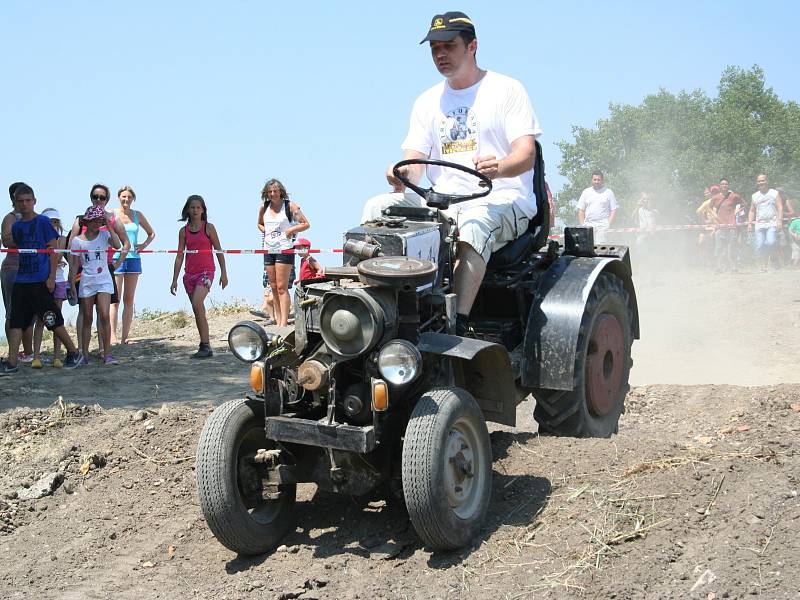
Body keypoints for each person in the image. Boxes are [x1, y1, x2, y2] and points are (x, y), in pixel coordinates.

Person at [360, 12, 541, 335]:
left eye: (448, 46)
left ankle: (454, 324)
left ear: (472, 46)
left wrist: (499, 168)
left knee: (473, 225)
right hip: (443, 202)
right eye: (434, 49)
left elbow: (526, 154)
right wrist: (399, 176)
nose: (440, 55)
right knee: (377, 208)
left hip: (501, 198)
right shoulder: (427, 102)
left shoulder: (506, 90)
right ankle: (374, 313)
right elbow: (414, 163)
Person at [0, 184, 81, 374]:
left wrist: (52, 276)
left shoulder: (43, 222)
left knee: (51, 318)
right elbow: (11, 242)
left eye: (28, 200)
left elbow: (53, 251)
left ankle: (73, 351)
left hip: (40, 279)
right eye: (20, 201)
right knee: (16, 320)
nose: (25, 204)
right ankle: (12, 362)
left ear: (34, 201)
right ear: (15, 204)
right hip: (22, 278)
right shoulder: (17, 226)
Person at [69, 184, 130, 355]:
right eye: (95, 196)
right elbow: (70, 248)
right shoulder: (81, 219)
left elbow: (124, 243)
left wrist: (118, 263)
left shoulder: (113, 219)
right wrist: (70, 279)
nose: (98, 200)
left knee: (103, 312)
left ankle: (104, 350)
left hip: (105, 268)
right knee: (84, 313)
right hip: (84, 269)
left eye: (102, 197)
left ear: (107, 199)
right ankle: (82, 350)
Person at [170, 195, 228, 358]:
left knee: (197, 303)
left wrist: (224, 273)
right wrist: (174, 278)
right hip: (189, 274)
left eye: (198, 207)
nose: (195, 210)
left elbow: (219, 250)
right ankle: (205, 345)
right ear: (187, 210)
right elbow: (180, 255)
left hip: (206, 272)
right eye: (192, 207)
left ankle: (205, 345)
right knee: (198, 310)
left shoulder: (208, 228)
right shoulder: (183, 231)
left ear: (203, 210)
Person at [257, 179, 309, 327]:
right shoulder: (264, 207)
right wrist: (266, 231)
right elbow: (259, 223)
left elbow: (306, 223)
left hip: (284, 248)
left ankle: (283, 323)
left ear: (281, 191)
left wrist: (292, 230)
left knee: (282, 287)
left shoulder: (289, 206)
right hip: (269, 248)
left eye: (275, 191)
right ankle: (278, 319)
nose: (273, 194)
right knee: (272, 286)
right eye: (270, 191)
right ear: (266, 193)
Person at [110, 185, 155, 344]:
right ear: (118, 197)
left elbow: (152, 233)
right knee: (114, 299)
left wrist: (143, 245)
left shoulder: (138, 215)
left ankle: (125, 336)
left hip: (133, 258)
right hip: (116, 258)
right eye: (123, 196)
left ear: (133, 199)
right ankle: (112, 336)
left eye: (129, 197)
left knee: (129, 299)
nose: (126, 199)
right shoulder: (112, 214)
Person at [31, 209, 69, 368]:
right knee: (40, 320)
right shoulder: (37, 239)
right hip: (41, 280)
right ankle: (36, 357)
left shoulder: (61, 239)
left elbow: (58, 256)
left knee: (57, 319)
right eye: (49, 222)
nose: (53, 225)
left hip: (58, 280)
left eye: (55, 222)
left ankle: (57, 356)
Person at [1, 182, 34, 362]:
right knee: (13, 312)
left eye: (27, 198)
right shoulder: (11, 218)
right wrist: (29, 236)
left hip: (32, 267)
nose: (23, 202)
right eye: (19, 197)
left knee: (30, 312)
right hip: (12, 267)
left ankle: (28, 353)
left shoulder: (33, 217)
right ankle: (13, 354)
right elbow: (6, 239)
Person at [748, 174, 783, 271]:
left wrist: (779, 220)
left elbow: (780, 206)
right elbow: (752, 210)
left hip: (772, 223)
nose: (761, 183)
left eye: (762, 180)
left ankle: (774, 258)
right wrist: (750, 223)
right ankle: (763, 266)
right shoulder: (754, 196)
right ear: (757, 182)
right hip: (759, 224)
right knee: (760, 245)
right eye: (759, 181)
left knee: (770, 242)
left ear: (767, 181)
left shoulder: (774, 193)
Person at [577, 171, 617, 243]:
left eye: (598, 180)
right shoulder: (586, 192)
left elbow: (613, 209)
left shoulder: (608, 192)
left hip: (602, 225)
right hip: (588, 225)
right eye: (595, 179)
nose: (596, 181)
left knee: (600, 247)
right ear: (591, 180)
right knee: (587, 248)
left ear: (602, 180)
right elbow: (581, 210)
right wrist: (582, 225)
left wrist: (608, 223)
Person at [712, 178, 741, 273]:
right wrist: (715, 216)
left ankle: (733, 268)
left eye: (726, 184)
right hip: (720, 226)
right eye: (722, 184)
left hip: (731, 226)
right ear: (720, 186)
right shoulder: (716, 197)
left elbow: (744, 204)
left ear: (728, 185)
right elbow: (709, 208)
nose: (724, 185)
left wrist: (737, 212)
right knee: (719, 248)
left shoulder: (734, 196)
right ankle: (718, 267)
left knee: (731, 247)